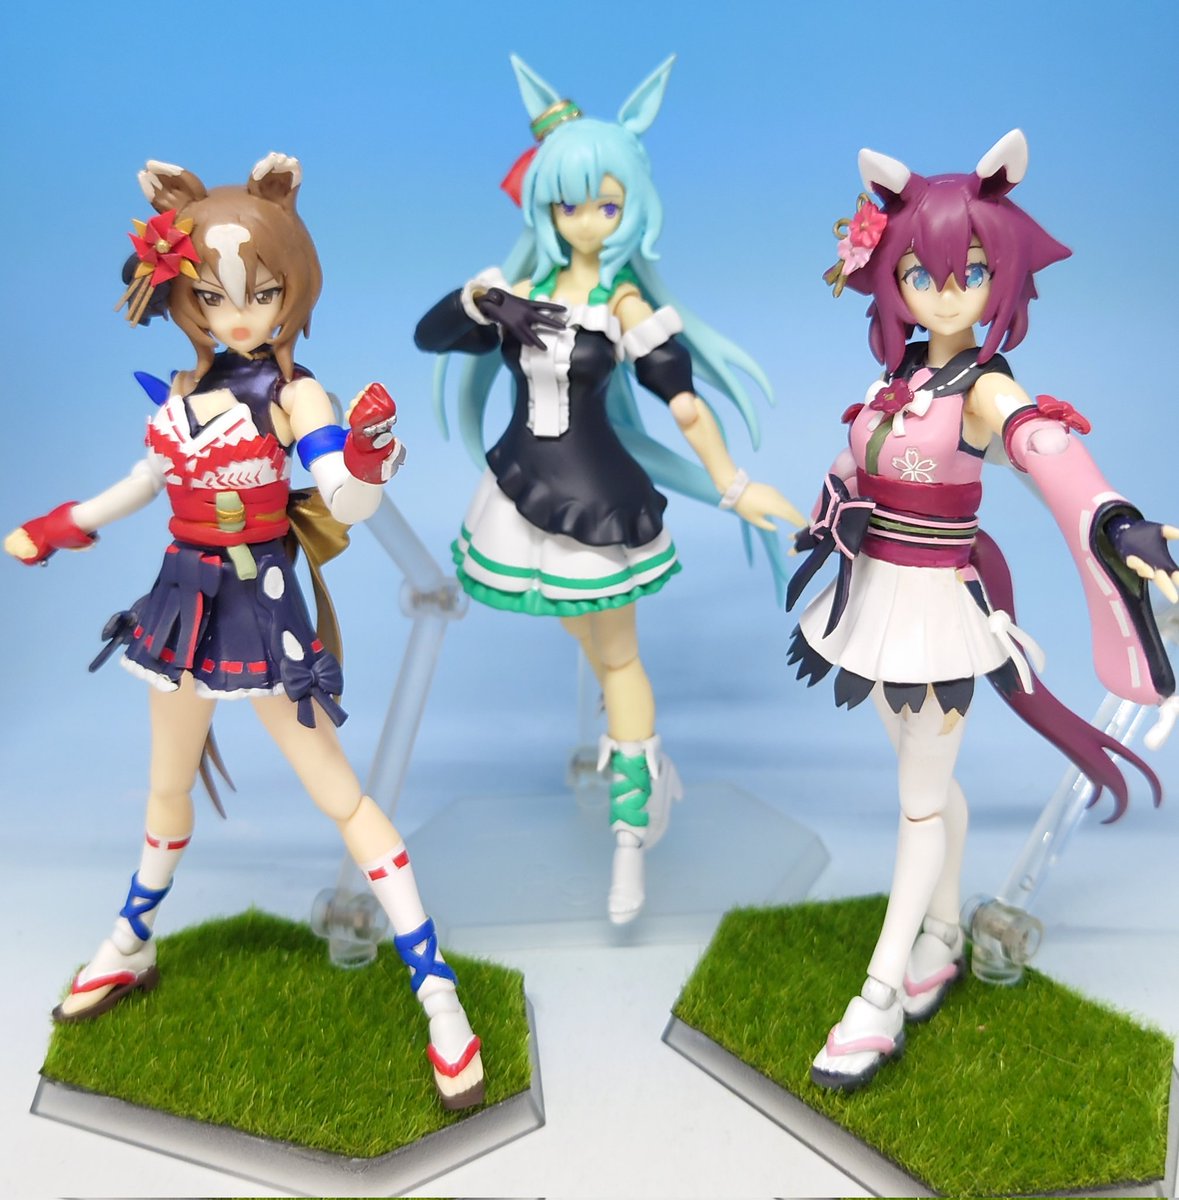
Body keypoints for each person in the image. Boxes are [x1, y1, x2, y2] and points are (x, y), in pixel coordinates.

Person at [6, 153, 483, 1109]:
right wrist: (60, 528)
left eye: (261, 296)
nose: (239, 317)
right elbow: (139, 486)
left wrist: (366, 456)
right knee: (166, 786)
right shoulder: (182, 399)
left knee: (341, 797)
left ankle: (438, 992)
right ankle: (131, 940)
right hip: (180, 609)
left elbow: (341, 494)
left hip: (261, 613)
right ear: (182, 296)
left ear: (289, 292)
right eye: (215, 297)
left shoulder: (296, 395)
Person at [789, 130, 1177, 1091]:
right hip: (870, 599)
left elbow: (1043, 448)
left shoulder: (983, 388)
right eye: (922, 274)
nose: (946, 293)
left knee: (919, 802)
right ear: (892, 277)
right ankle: (942, 935)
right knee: (924, 784)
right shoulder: (899, 380)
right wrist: (822, 511)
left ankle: (880, 994)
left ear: (998, 279)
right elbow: (855, 462)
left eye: (969, 273)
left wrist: (1113, 519)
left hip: (933, 613)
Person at [415, 56, 801, 924]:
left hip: (595, 501)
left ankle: (634, 824)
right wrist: (482, 301)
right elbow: (430, 336)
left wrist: (734, 485)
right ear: (544, 207)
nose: (586, 220)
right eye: (569, 204)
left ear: (630, 209)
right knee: (581, 634)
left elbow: (682, 401)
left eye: (606, 205)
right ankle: (635, 753)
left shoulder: (623, 305)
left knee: (618, 656)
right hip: (523, 491)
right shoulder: (520, 292)